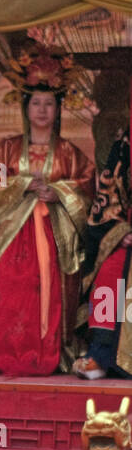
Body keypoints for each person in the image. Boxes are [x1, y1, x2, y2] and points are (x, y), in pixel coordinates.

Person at [0, 45, 95, 376]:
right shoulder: (6, 149)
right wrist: (23, 185)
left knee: (48, 294)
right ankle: (7, 356)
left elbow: (86, 187)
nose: (42, 110)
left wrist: (57, 192)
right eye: (37, 103)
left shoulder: (70, 153)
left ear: (58, 109)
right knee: (13, 293)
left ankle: (47, 355)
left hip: (54, 238)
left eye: (49, 104)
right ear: (27, 108)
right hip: (14, 237)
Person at [73, 121, 132, 379]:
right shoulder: (125, 147)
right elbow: (108, 199)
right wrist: (121, 231)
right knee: (110, 270)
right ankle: (101, 353)